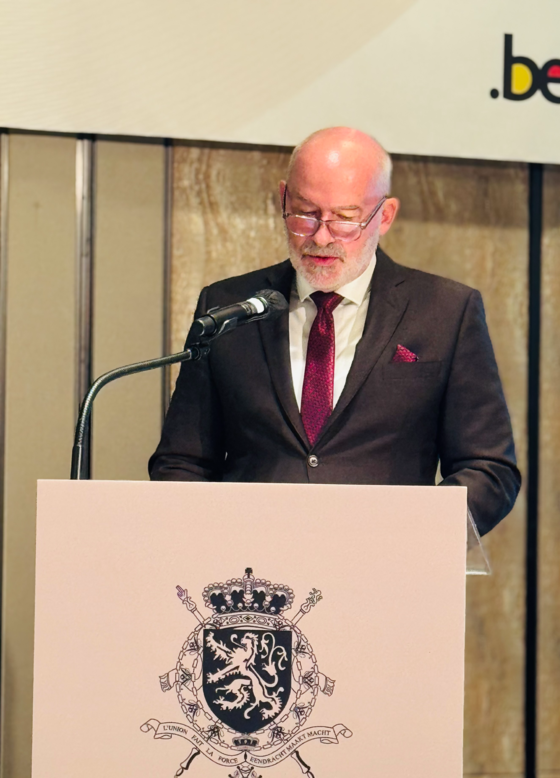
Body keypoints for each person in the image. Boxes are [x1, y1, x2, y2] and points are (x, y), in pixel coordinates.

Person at [150, 127, 520, 536]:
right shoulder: (228, 307)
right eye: (305, 213)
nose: (321, 237)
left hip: (384, 560)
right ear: (283, 199)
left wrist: (411, 539)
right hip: (250, 560)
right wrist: (208, 541)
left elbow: (489, 469)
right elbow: (182, 461)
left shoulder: (445, 312)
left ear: (385, 216)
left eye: (344, 219)